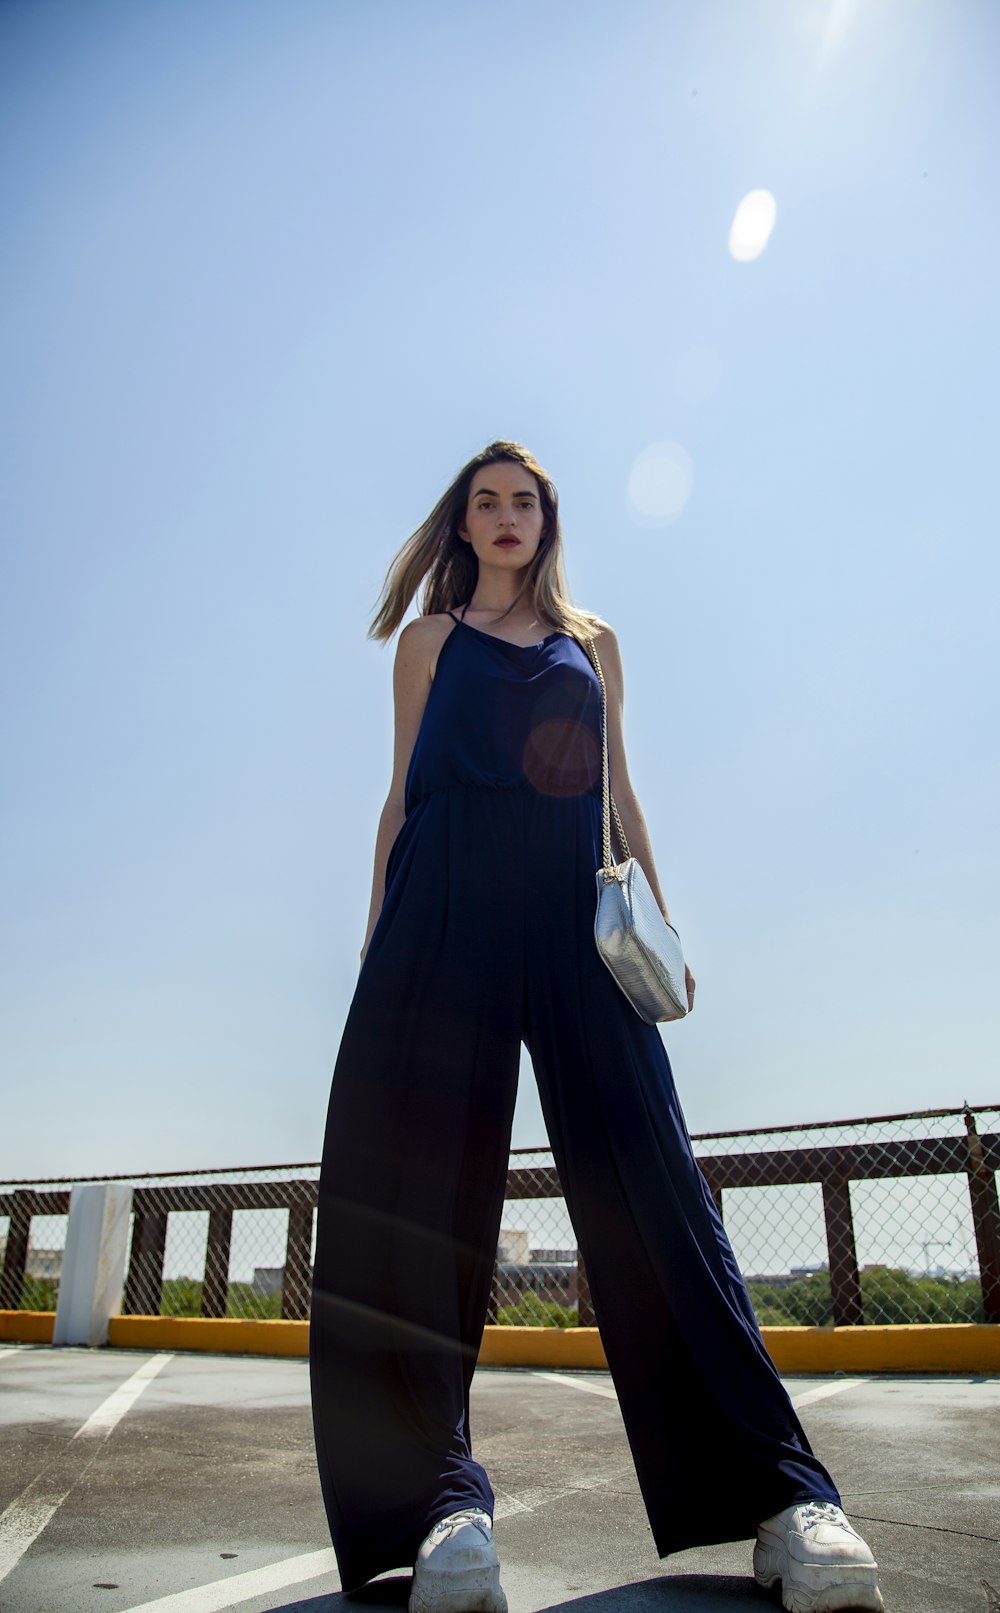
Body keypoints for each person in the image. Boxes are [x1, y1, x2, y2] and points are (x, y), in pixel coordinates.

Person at [309, 441, 883, 1613]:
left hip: (578, 919)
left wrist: (660, 927)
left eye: (524, 501)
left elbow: (619, 792)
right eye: (486, 502)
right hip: (444, 911)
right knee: (411, 1195)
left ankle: (783, 1500)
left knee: (656, 1185)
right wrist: (375, 946)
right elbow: (402, 794)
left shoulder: (596, 644)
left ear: (547, 519)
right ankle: (439, 1510)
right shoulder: (425, 645)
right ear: (461, 525)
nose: (506, 517)